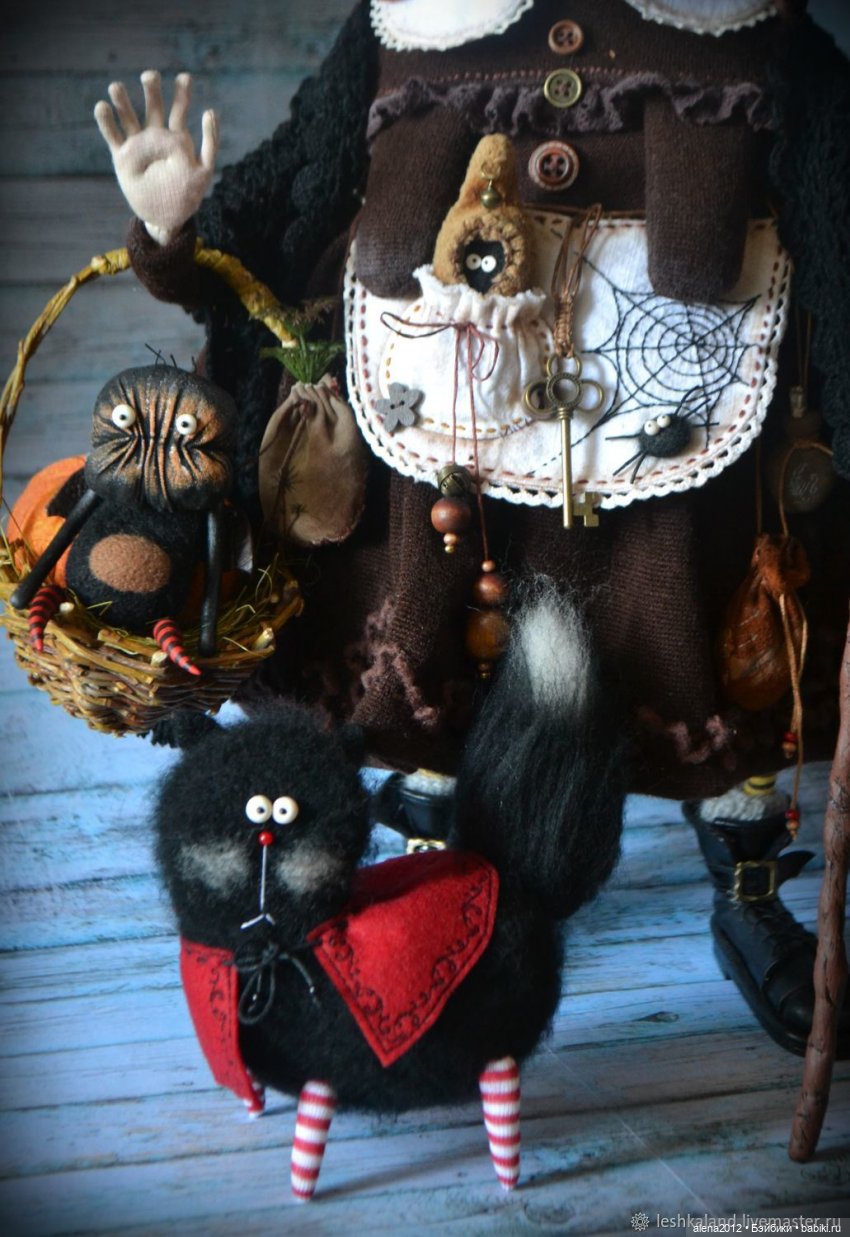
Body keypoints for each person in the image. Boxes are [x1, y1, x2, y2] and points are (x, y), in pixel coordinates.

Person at [94, 0, 850, 1057]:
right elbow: (285, 204)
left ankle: (750, 891)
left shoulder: (751, 29)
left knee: (713, 665)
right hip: (434, 443)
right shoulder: (409, 23)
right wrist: (176, 235)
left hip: (695, 445)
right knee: (434, 671)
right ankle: (430, 907)